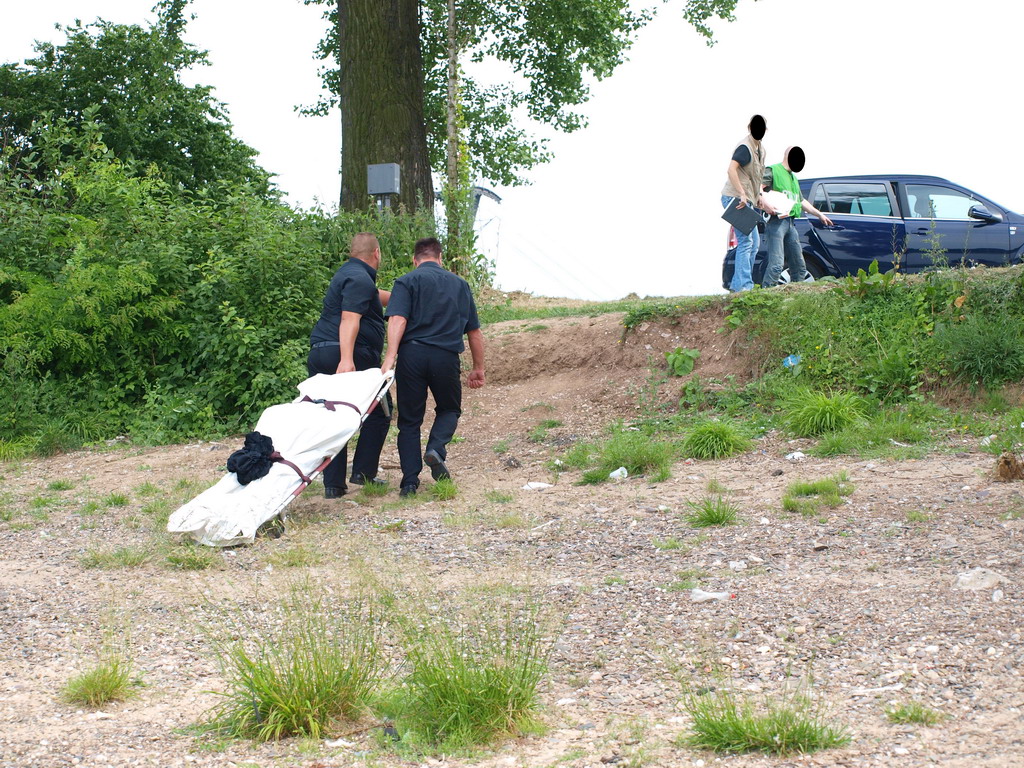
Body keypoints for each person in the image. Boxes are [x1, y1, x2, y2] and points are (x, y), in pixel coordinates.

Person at [381, 237, 485, 497]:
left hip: (412, 354)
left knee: (409, 421)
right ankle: (436, 449)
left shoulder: (407, 281)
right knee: (449, 409)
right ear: (440, 258)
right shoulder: (460, 285)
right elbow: (474, 332)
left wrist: (390, 357)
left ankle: (408, 483)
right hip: (445, 356)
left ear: (415, 260)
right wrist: (478, 367)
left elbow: (397, 320)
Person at [307, 232, 392, 498]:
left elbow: (374, 296)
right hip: (348, 354)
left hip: (321, 350)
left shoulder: (349, 274)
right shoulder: (359, 279)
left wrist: (406, 295)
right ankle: (363, 473)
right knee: (380, 412)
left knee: (331, 415)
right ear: (376, 253)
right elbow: (349, 318)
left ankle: (333, 485)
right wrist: (346, 359)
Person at [760, 146, 833, 287]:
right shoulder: (773, 170)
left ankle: (795, 296)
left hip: (790, 223)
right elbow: (757, 187)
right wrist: (766, 204)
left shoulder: (793, 178)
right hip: (776, 223)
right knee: (776, 264)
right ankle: (766, 295)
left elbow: (800, 200)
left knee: (799, 267)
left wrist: (819, 214)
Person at [721, 114, 769, 293]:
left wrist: (759, 195)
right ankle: (744, 287)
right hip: (735, 198)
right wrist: (742, 193)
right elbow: (731, 170)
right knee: (746, 242)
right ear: (750, 128)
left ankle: (737, 285)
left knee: (754, 243)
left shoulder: (760, 150)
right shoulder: (745, 147)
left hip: (747, 200)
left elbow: (755, 177)